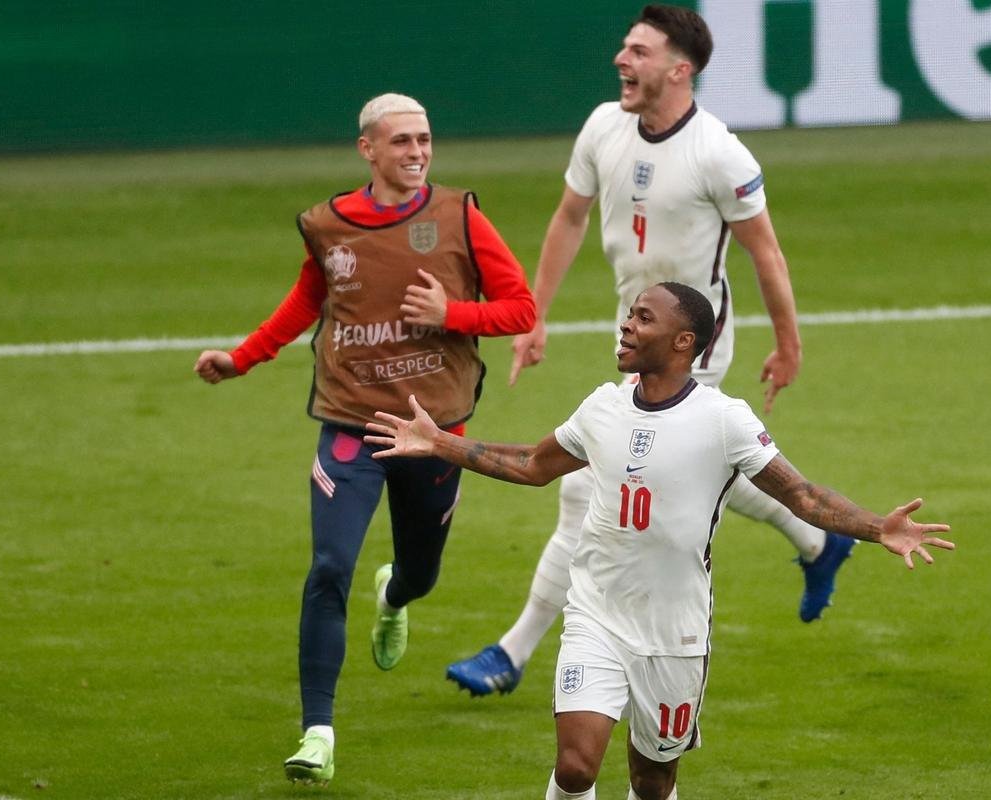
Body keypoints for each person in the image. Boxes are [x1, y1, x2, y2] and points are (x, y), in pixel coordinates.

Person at [365, 282, 954, 800]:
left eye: (644, 317)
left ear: (683, 342)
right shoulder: (602, 407)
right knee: (574, 768)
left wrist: (877, 527)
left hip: (675, 630)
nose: (626, 324)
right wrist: (440, 443)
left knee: (652, 782)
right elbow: (533, 465)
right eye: (630, 313)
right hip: (596, 611)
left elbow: (801, 495)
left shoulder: (724, 420)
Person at [446, 3, 854, 699]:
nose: (620, 60)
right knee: (700, 480)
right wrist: (531, 316)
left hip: (695, 347)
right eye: (623, 48)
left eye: (637, 51)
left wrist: (787, 346)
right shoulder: (603, 127)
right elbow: (568, 218)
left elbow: (765, 252)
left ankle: (511, 653)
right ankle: (819, 540)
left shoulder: (720, 153)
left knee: (586, 486)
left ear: (678, 68)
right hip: (634, 331)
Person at [193, 93, 536, 786]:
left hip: (433, 435)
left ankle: (395, 599)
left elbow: (521, 309)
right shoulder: (327, 226)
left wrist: (452, 313)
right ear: (368, 150)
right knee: (327, 568)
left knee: (420, 572)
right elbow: (306, 301)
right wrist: (242, 357)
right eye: (402, 141)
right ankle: (317, 730)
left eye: (425, 140)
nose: (417, 153)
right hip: (351, 424)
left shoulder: (458, 216)